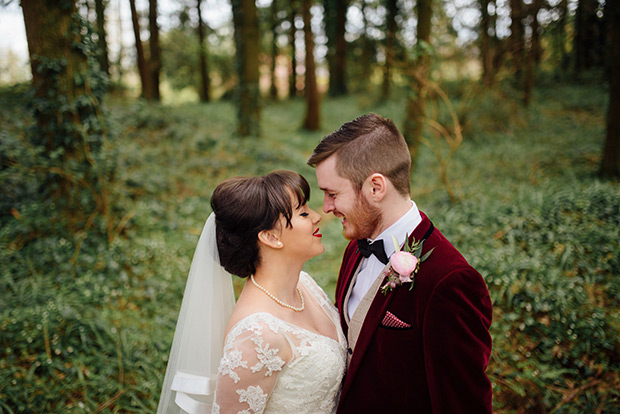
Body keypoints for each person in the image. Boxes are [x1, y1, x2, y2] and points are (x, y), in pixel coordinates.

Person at [307, 113, 493, 413]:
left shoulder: (450, 282)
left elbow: (463, 404)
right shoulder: (356, 247)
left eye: (332, 194)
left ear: (376, 188)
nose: (326, 208)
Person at [157, 170, 347, 414]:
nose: (317, 217)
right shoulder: (257, 334)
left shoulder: (305, 286)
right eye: (302, 212)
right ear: (270, 236)